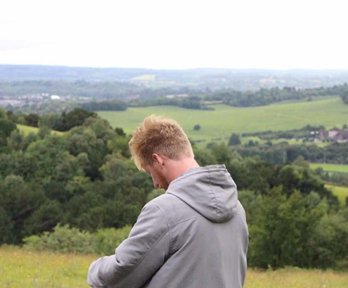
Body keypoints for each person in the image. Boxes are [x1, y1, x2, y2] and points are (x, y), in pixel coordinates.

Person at [87, 115, 249, 288]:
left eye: (150, 172)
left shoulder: (165, 211)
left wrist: (95, 270)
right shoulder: (237, 209)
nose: (155, 184)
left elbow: (120, 274)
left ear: (158, 160)